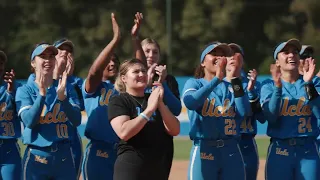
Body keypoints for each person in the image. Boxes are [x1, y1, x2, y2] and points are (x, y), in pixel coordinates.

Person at [183, 42, 250, 180]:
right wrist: (216, 80)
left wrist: (236, 78)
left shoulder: (232, 85)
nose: (219, 57)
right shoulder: (195, 83)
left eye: (222, 55)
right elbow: (190, 102)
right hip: (204, 149)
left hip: (231, 150)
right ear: (203, 62)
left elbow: (244, 112)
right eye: (214, 54)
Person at [15, 43, 81, 180]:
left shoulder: (65, 87)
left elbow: (76, 120)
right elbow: (29, 121)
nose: (47, 60)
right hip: (37, 156)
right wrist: (42, 95)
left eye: (51, 56)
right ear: (33, 63)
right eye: (42, 56)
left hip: (64, 157)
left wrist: (63, 99)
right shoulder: (25, 90)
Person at [108, 57, 180, 180]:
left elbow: (175, 130)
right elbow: (124, 132)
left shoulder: (154, 98)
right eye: (136, 72)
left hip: (157, 169)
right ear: (124, 78)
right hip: (131, 168)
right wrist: (149, 110)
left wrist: (160, 104)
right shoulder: (119, 100)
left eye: (144, 71)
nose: (141, 74)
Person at [261, 39, 320, 180]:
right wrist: (277, 88)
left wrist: (308, 84)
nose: (291, 55)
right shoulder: (268, 85)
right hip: (280, 149)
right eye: (285, 52)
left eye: (295, 52)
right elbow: (271, 117)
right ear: (277, 61)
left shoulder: (313, 82)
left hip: (308, 150)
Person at [81, 12, 125, 180]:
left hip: (121, 152)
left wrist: (135, 39)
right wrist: (115, 40)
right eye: (108, 60)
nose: (112, 63)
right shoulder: (94, 86)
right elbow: (93, 72)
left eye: (115, 60)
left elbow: (140, 68)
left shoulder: (124, 89)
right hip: (97, 152)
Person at [141, 38, 182, 178]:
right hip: (139, 140)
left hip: (162, 142)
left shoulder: (169, 80)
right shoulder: (133, 78)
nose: (151, 55)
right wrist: (146, 82)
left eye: (155, 52)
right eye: (147, 51)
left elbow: (176, 109)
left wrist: (162, 82)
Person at [228, 43, 265, 180]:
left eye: (235, 53)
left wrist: (251, 91)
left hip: (246, 142)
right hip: (226, 142)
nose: (231, 56)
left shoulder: (254, 84)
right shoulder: (217, 83)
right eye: (228, 53)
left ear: (242, 59)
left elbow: (261, 117)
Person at [52, 38, 84, 179]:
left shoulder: (77, 82)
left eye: (69, 50)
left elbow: (81, 107)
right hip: (48, 139)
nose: (65, 52)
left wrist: (69, 78)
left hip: (71, 140)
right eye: (61, 49)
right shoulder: (42, 79)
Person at [0, 51, 22, 180]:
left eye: (1, 63)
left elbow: (23, 113)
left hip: (9, 148)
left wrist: (11, 92)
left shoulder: (15, 87)